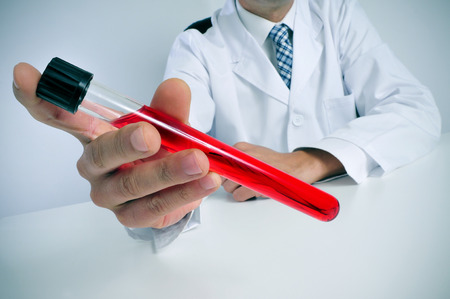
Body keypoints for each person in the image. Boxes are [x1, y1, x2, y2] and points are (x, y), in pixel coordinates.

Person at [13, 0, 441, 248]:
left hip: (362, 233)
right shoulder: (197, 44)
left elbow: (417, 110)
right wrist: (148, 180)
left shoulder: (337, 13)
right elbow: (175, 141)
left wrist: (308, 161)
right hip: (254, 250)